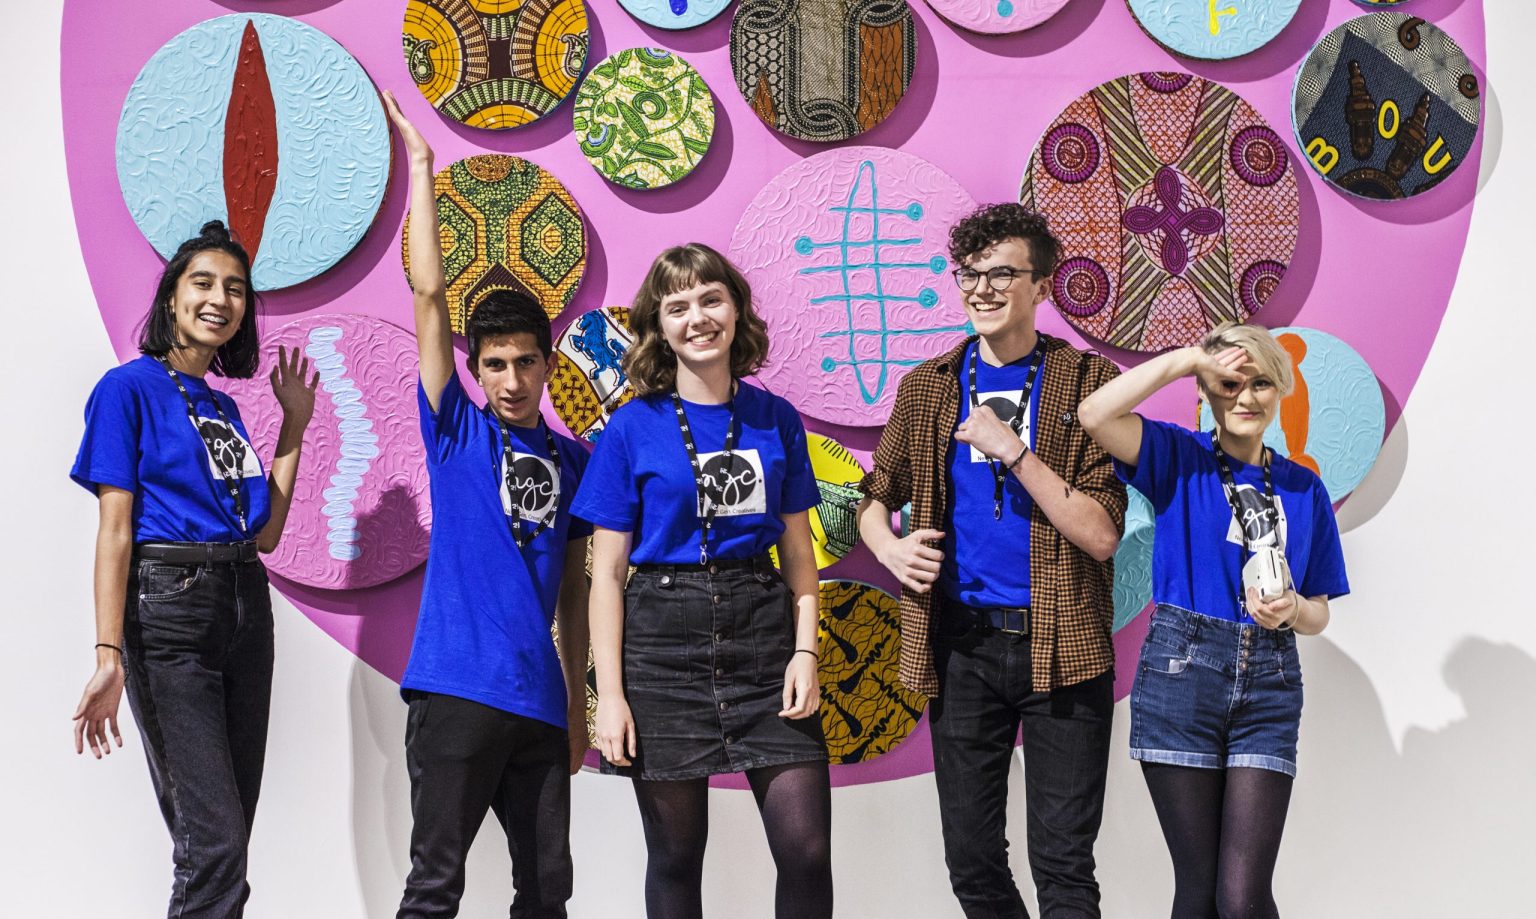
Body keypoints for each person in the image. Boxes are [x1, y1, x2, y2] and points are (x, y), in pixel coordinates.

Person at [857, 203, 1126, 919]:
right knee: (972, 863)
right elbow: (873, 496)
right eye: (969, 274)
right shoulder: (930, 386)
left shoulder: (1087, 381)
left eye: (1002, 273)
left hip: (1063, 643)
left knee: (1063, 867)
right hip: (962, 648)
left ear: (1041, 285)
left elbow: (1103, 534)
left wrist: (1015, 451)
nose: (981, 289)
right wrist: (889, 546)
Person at [572, 243, 832, 919]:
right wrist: (612, 697)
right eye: (678, 306)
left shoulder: (776, 418)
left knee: (806, 852)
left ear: (736, 308)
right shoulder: (631, 427)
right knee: (676, 857)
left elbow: (799, 553)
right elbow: (607, 574)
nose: (698, 318)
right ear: (659, 326)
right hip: (661, 647)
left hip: (764, 636)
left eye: (711, 299)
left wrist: (806, 651)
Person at [70, 220, 319, 918]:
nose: (220, 299)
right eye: (203, 283)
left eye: (235, 289)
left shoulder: (223, 406)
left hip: (245, 603)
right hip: (169, 610)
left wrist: (293, 427)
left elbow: (265, 534)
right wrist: (108, 654)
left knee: (229, 841)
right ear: (172, 296)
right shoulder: (126, 390)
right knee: (214, 845)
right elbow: (115, 529)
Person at [384, 91, 592, 919]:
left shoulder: (575, 461)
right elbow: (429, 298)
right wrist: (424, 167)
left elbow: (575, 589)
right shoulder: (457, 432)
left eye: (525, 362)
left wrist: (578, 705)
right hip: (456, 691)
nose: (511, 380)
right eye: (495, 364)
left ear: (548, 364)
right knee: (436, 886)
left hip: (538, 703)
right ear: (475, 368)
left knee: (546, 895)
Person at [1077, 323, 1349, 919]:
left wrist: (1293, 609)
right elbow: (1094, 415)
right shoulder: (1179, 458)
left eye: (1260, 383)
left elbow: (1320, 611)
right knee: (1199, 892)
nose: (1245, 397)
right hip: (1181, 678)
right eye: (1229, 384)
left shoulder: (1304, 489)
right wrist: (1189, 359)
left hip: (1270, 685)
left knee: (1243, 897)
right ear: (1204, 392)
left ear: (1280, 391)